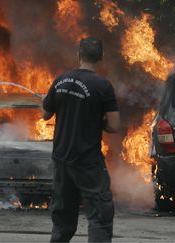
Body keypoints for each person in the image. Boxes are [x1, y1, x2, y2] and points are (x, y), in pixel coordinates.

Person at [42, 37, 120, 243]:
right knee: (99, 216)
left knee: (62, 219)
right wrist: (98, 120)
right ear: (101, 57)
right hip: (87, 162)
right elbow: (114, 125)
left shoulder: (60, 80)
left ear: (79, 54)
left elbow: (44, 114)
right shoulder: (103, 86)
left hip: (61, 160)